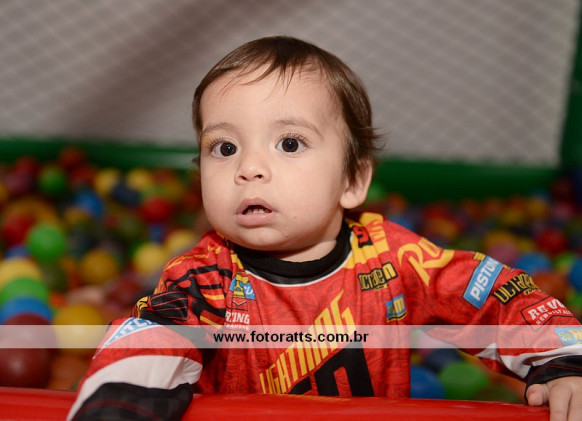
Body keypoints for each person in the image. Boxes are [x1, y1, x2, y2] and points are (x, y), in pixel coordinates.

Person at [68, 36, 582, 421]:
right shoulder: (206, 275)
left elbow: (491, 294)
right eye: (224, 148)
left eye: (289, 144)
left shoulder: (393, 259)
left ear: (352, 180)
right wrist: (120, 401)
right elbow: (154, 335)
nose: (249, 167)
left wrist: (563, 361)